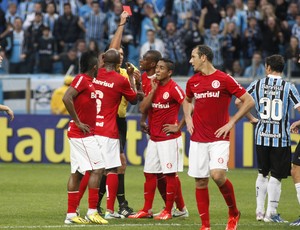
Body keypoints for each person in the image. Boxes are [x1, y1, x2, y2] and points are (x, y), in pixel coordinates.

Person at [183, 44, 255, 230]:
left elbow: (249, 101)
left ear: (204, 57)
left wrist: (231, 122)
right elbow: (186, 100)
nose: (190, 61)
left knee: (217, 175)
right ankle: (205, 226)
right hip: (198, 138)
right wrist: (187, 117)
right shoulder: (192, 82)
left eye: (193, 57)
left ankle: (233, 213)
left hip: (218, 138)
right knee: (200, 181)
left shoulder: (224, 79)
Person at [236, 54, 300, 223]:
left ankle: (259, 211)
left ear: (268, 67)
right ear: (282, 68)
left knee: (262, 173)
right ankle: (270, 214)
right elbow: (299, 107)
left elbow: (238, 102)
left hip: (261, 136)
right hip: (281, 138)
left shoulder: (257, 84)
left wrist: (251, 118)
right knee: (276, 176)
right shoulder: (289, 87)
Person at [129, 58, 186, 220]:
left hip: (169, 139)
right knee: (149, 173)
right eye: (158, 68)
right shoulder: (152, 85)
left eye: (162, 68)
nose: (158, 71)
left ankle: (168, 210)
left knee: (169, 174)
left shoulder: (174, 88)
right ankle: (146, 209)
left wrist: (179, 126)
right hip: (154, 138)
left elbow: (189, 105)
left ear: (169, 72)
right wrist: (153, 91)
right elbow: (142, 108)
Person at [63, 51, 107, 225]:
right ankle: (92, 211)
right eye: (99, 63)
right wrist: (78, 121)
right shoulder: (82, 79)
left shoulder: (91, 82)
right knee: (98, 168)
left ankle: (71, 215)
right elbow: (67, 97)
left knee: (78, 173)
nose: (101, 66)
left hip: (83, 133)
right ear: (94, 66)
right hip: (82, 133)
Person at [93, 48, 138, 219]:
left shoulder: (95, 74)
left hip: (94, 125)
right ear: (118, 62)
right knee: (112, 167)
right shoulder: (122, 79)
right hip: (111, 126)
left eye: (122, 53)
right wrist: (133, 79)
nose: (121, 55)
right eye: (118, 54)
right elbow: (134, 99)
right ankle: (108, 208)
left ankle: (84, 208)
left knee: (91, 168)